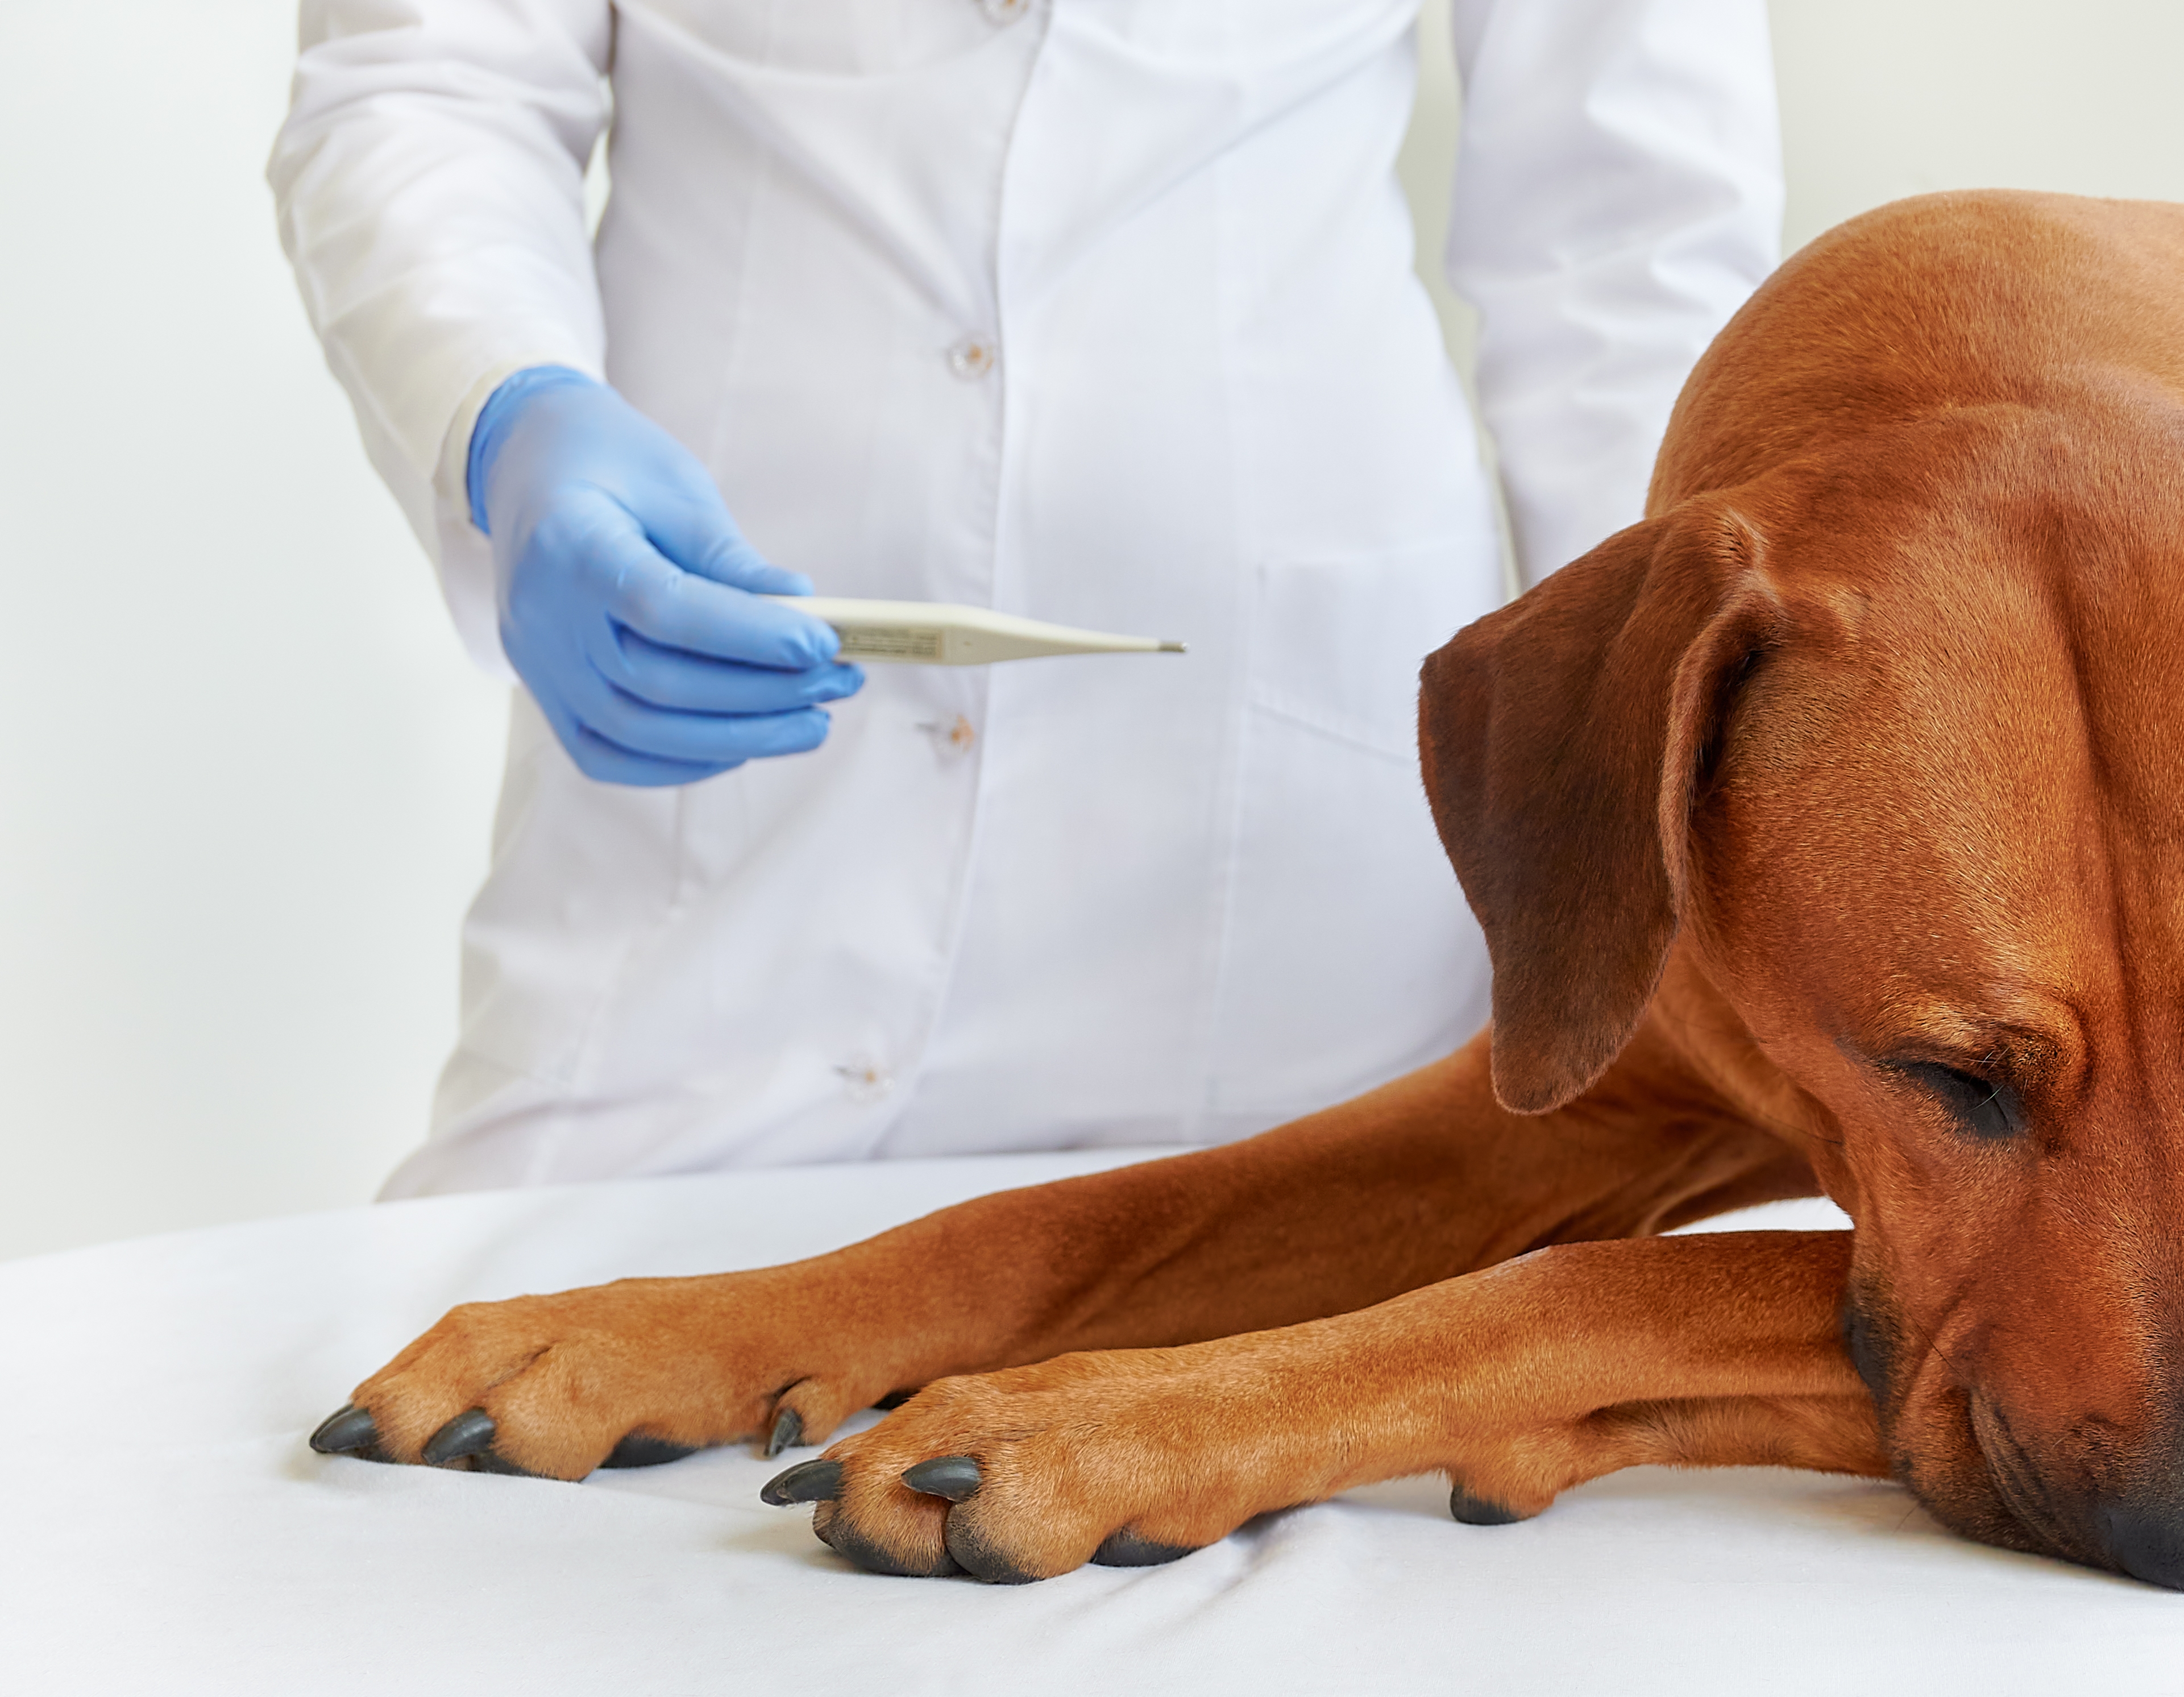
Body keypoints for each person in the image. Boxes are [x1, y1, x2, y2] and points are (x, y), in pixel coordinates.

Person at [268, 0, 1784, 1196]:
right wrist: (503, 412)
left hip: (1301, 880)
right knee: (497, 1467)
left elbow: (1627, 238)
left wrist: (1655, 816)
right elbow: (429, 83)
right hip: (721, 873)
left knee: (1330, 1448)